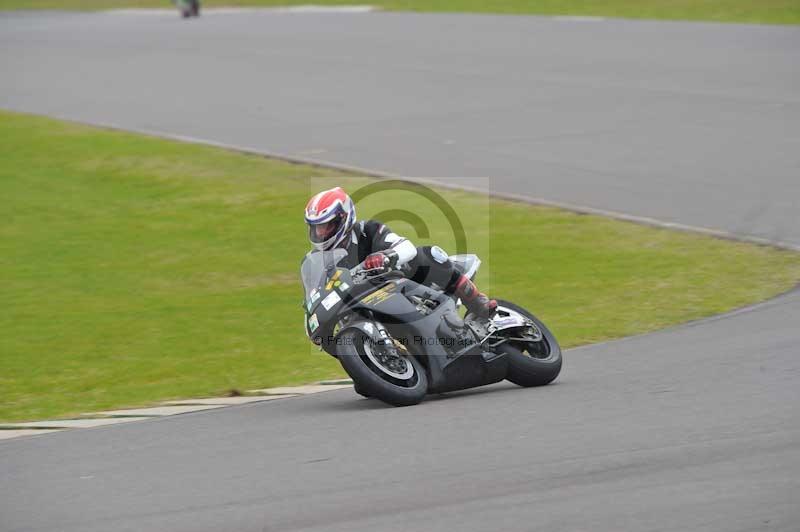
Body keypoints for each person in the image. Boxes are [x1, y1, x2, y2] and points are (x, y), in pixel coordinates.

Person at [304, 186, 497, 319]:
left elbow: (407, 248)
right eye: (316, 228)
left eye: (326, 226)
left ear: (344, 217)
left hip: (405, 284)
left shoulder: (368, 230)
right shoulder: (319, 261)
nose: (320, 233)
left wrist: (386, 257)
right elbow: (316, 293)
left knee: (428, 254)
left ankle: (476, 301)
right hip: (366, 303)